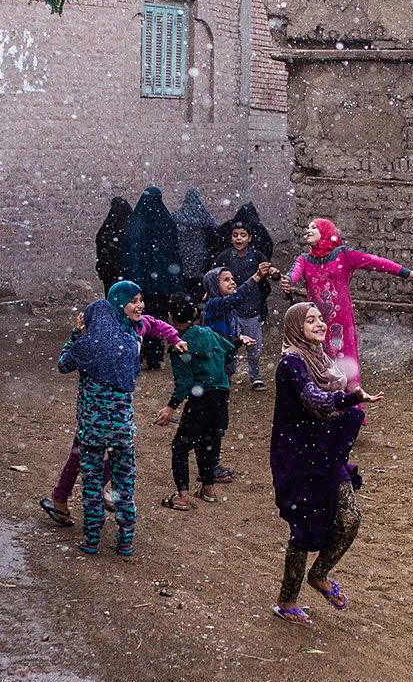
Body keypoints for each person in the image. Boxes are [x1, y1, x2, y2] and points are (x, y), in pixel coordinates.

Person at [269, 302, 380, 625]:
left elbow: (327, 400)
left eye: (320, 318)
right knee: (303, 529)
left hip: (325, 451)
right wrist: (350, 398)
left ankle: (319, 575)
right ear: (295, 328)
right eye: (310, 320)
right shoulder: (291, 363)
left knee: (349, 519)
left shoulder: (322, 359)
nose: (319, 324)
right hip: (298, 456)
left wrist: (350, 399)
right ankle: (286, 601)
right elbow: (312, 399)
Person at [40, 283, 185, 528]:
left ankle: (71, 497)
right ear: (119, 303)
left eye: (141, 299)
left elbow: (157, 325)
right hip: (95, 410)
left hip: (116, 408)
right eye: (133, 301)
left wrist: (174, 338)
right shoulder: (100, 336)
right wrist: (77, 336)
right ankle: (70, 500)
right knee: (95, 453)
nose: (139, 305)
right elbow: (65, 364)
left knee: (105, 452)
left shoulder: (138, 325)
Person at [282, 218, 413, 390]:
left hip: (341, 321)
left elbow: (376, 262)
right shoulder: (304, 259)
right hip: (316, 322)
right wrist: (287, 281)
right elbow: (293, 274)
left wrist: (408, 273)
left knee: (346, 366)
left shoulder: (343, 255)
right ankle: (324, 409)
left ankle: (352, 409)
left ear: (325, 232)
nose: (307, 231)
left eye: (314, 227)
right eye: (307, 227)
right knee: (318, 366)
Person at [152, 296, 243, 510]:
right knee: (207, 442)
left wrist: (170, 407)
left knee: (180, 446)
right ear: (194, 314)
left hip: (200, 398)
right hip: (221, 395)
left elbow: (184, 384)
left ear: (171, 317)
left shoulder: (179, 345)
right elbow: (230, 352)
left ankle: (182, 496)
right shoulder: (209, 333)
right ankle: (208, 488)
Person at [122, 187, 184, 369]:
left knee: (138, 317)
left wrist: (133, 279)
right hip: (161, 285)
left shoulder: (135, 223)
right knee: (158, 319)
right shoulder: (166, 222)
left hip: (140, 284)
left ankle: (139, 353)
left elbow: (130, 255)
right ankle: (155, 356)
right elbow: (173, 254)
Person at [217, 218, 278, 389]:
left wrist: (273, 272)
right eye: (235, 235)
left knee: (254, 346)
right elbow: (215, 275)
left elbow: (271, 273)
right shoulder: (225, 257)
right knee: (230, 345)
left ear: (250, 238)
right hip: (231, 309)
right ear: (230, 238)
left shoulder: (257, 256)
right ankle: (226, 376)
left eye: (243, 235)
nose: (238, 239)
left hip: (251, 308)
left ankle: (255, 376)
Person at [171, 189, 217, 302]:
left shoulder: (177, 216)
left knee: (184, 290)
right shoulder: (202, 215)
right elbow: (215, 226)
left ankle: (185, 309)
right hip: (199, 257)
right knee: (198, 291)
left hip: (182, 257)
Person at [94, 196, 131, 290]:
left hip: (109, 275)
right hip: (128, 274)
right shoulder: (131, 230)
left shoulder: (105, 231)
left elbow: (101, 254)